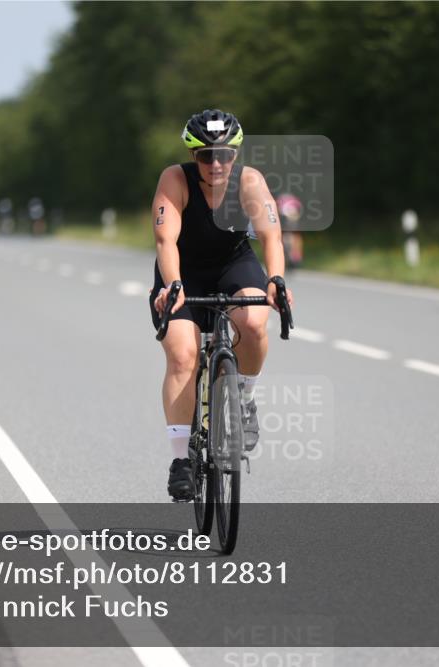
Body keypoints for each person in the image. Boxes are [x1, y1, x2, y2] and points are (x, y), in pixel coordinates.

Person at [149, 109, 292, 501]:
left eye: (225, 155)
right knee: (183, 355)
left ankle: (244, 401)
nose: (215, 164)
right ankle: (181, 460)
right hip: (182, 270)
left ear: (236, 154)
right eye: (205, 155)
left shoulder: (249, 182)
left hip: (234, 263)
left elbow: (272, 237)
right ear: (193, 156)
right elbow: (165, 242)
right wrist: (173, 283)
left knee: (254, 322)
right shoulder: (174, 180)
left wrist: (276, 280)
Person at [276, 193, 304, 267]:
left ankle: (295, 254)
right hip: (290, 219)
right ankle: (296, 255)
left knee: (293, 235)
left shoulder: (281, 200)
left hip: (288, 219)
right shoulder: (293, 200)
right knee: (295, 235)